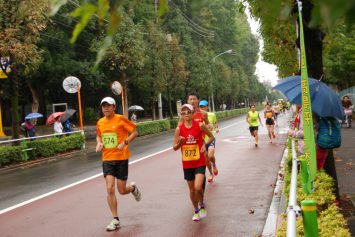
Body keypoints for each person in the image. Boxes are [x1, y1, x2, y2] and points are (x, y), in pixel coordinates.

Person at [95, 96, 141, 231]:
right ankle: (115, 219)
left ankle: (132, 188)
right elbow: (99, 135)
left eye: (109, 106)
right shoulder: (100, 122)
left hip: (121, 158)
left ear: (114, 107)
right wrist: (99, 142)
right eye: (104, 106)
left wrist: (125, 142)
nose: (106, 108)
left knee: (121, 190)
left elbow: (135, 132)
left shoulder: (121, 119)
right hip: (107, 159)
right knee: (110, 189)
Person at [173, 104, 214, 222]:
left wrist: (204, 146)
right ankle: (196, 210)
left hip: (200, 161)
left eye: (188, 112)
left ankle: (201, 202)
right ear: (181, 115)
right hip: (187, 163)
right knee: (191, 190)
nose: (186, 115)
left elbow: (211, 137)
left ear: (192, 113)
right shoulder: (179, 129)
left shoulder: (200, 125)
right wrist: (180, 142)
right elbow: (174, 148)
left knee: (197, 187)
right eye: (183, 113)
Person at [199, 100, 219, 183]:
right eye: (201, 106)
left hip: (210, 138)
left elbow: (215, 123)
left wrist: (216, 128)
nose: (202, 108)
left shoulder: (212, 115)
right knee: (206, 159)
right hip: (202, 140)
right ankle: (211, 173)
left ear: (207, 107)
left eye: (204, 106)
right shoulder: (197, 115)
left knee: (210, 156)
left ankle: (214, 165)